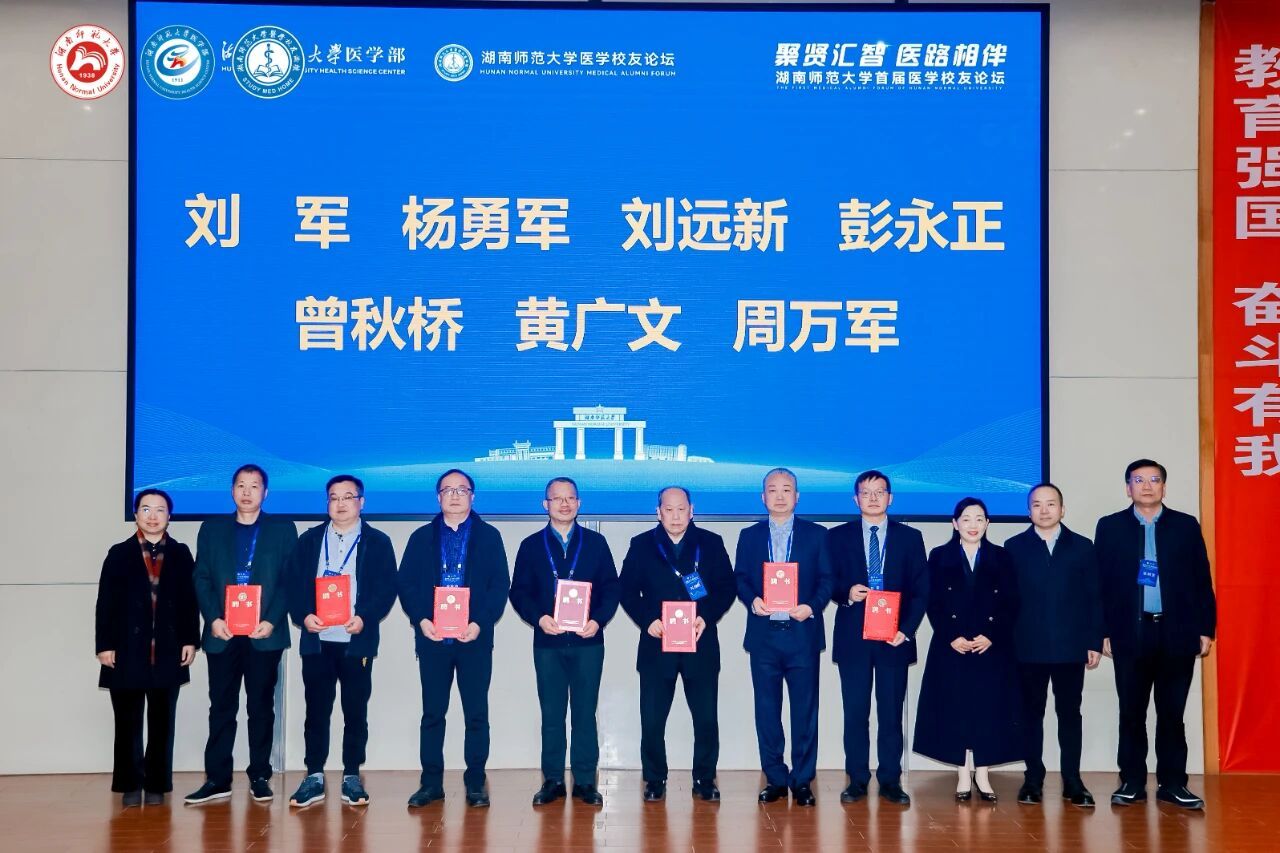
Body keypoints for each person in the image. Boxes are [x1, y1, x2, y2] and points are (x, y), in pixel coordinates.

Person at [1096, 459, 1216, 810]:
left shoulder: (1185, 525)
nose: (1147, 486)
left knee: (1172, 713)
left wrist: (1205, 628)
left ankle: (1173, 783)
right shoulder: (1110, 527)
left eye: (1154, 479)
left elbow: (1201, 580)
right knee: (1131, 712)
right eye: (1139, 480)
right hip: (1130, 632)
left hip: (1177, 632)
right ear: (1128, 487)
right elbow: (1099, 584)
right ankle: (1132, 781)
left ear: (1164, 486)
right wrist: (1102, 631)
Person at [398, 469, 510, 808]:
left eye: (462, 490)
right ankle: (431, 783)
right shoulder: (421, 537)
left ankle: (475, 782)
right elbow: (406, 584)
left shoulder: (489, 537)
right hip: (433, 640)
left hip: (474, 639)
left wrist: (480, 622)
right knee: (432, 714)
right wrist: (421, 619)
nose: (455, 495)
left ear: (473, 496)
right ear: (438, 497)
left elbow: (499, 585)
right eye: (448, 490)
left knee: (476, 714)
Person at [186, 464, 298, 804]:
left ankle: (260, 775)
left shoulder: (282, 529)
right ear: (232, 490)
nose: (247, 492)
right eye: (241, 485)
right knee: (221, 706)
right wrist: (213, 618)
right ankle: (217, 779)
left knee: (261, 706)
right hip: (223, 632)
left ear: (266, 492)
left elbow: (289, 580)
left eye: (254, 486)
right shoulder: (212, 528)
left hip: (264, 633)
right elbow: (201, 577)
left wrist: (273, 620)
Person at [285, 475, 398, 808]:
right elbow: (292, 584)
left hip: (355, 639)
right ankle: (314, 775)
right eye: (334, 497)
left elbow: (386, 588)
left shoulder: (378, 542)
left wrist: (364, 617)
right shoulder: (309, 540)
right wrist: (304, 615)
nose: (340, 503)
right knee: (316, 711)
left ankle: (351, 775)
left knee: (355, 710)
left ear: (361, 502)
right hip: (317, 640)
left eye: (348, 497)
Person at [619, 485, 735, 803]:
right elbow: (625, 590)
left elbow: (727, 587)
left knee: (706, 719)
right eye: (668, 510)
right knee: (652, 719)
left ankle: (705, 778)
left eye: (681, 509)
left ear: (691, 510)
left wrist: (706, 616)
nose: (675, 516)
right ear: (658, 513)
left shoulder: (711, 543)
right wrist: (648, 620)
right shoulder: (642, 544)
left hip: (700, 643)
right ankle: (655, 778)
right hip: (657, 645)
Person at [509, 477, 620, 807]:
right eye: (557, 499)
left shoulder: (596, 543)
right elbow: (519, 592)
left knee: (585, 713)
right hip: (548, 642)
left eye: (570, 498)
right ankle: (553, 780)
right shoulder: (531, 545)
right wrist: (539, 618)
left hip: (588, 643)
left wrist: (598, 620)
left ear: (579, 503)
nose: (564, 504)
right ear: (546, 505)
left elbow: (611, 588)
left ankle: (585, 781)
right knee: (552, 714)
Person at [828, 470, 928, 806]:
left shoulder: (910, 537)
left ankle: (890, 780)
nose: (873, 498)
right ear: (855, 499)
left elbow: (921, 590)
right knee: (855, 714)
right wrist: (846, 593)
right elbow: (827, 581)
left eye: (880, 492)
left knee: (890, 714)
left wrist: (906, 630)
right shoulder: (838, 536)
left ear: (890, 498)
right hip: (854, 638)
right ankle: (856, 779)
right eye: (866, 493)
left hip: (893, 638)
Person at [734, 468, 833, 806]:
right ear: (763, 497)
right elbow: (741, 578)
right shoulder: (749, 536)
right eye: (773, 490)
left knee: (804, 712)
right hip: (764, 637)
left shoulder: (817, 534)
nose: (779, 495)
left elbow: (827, 579)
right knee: (767, 712)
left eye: (786, 489)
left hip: (802, 635)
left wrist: (812, 606)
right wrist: (752, 600)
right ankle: (775, 778)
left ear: (797, 496)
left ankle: (802, 780)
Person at [95, 489, 200, 807]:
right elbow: (105, 603)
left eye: (160, 510)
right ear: (136, 513)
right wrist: (104, 645)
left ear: (170, 515)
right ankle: (129, 783)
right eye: (146, 509)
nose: (153, 516)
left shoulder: (181, 553)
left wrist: (190, 640)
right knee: (127, 723)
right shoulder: (118, 553)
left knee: (162, 722)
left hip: (167, 650)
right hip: (125, 650)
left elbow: (190, 601)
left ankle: (156, 784)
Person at [913, 497, 1021, 803]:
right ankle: (962, 773)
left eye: (979, 519)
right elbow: (931, 601)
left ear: (987, 523)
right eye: (966, 519)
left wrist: (991, 635)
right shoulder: (939, 556)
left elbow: (1012, 602)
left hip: (991, 647)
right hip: (952, 646)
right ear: (955, 523)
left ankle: (983, 774)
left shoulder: (1002, 557)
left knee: (989, 710)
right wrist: (951, 635)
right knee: (954, 709)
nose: (973, 525)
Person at [1004, 483, 1103, 807]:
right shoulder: (1013, 547)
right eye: (1037, 504)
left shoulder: (1083, 547)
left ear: (1062, 509)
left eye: (1050, 504)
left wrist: (1094, 641)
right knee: (1030, 715)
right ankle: (1032, 779)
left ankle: (1073, 781)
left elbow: (1094, 598)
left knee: (1069, 714)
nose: (1044, 510)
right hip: (1027, 647)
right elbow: (1006, 601)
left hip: (1070, 647)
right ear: (1028, 511)